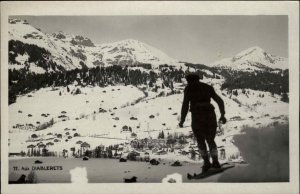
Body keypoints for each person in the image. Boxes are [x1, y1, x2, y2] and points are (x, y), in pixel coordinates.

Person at [179, 73, 227, 172]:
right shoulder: (207, 87)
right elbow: (220, 101)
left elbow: (185, 105)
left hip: (197, 116)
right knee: (210, 140)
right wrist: (222, 115)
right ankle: (215, 162)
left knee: (200, 141)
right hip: (210, 115)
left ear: (189, 80)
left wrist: (182, 120)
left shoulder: (189, 88)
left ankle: (206, 163)